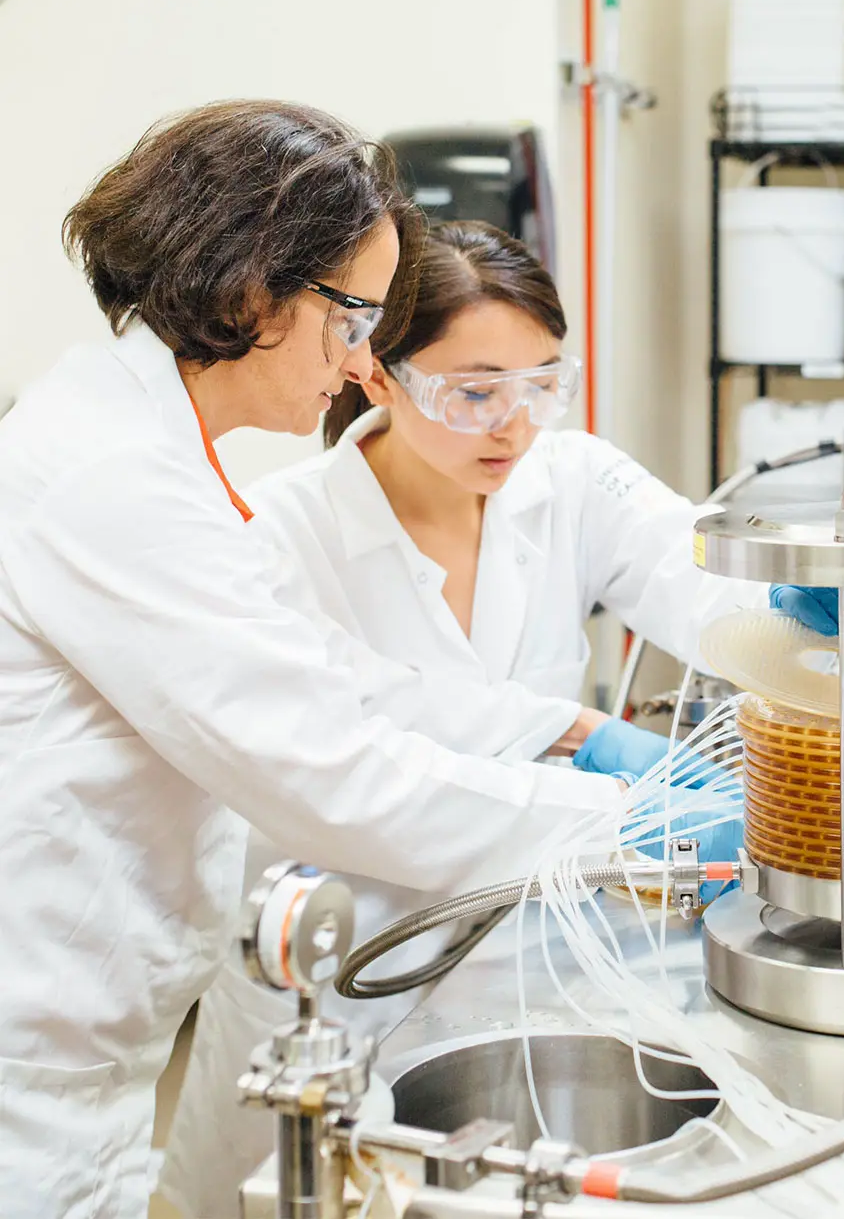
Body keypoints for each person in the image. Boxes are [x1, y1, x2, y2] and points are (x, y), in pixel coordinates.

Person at [0, 102, 712, 1219]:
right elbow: (331, 767)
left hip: (85, 1050)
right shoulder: (119, 484)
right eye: (350, 319)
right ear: (248, 288)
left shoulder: (144, 452)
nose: (357, 360)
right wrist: (628, 828)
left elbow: (336, 683)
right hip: (40, 1080)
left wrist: (562, 737)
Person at [160, 219, 758, 1214]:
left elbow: (713, 592)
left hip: (530, 958)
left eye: (542, 384)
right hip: (336, 979)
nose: (513, 426)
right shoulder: (284, 536)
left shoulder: (569, 481)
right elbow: (360, 738)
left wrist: (813, 606)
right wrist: (577, 740)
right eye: (473, 391)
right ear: (375, 375)